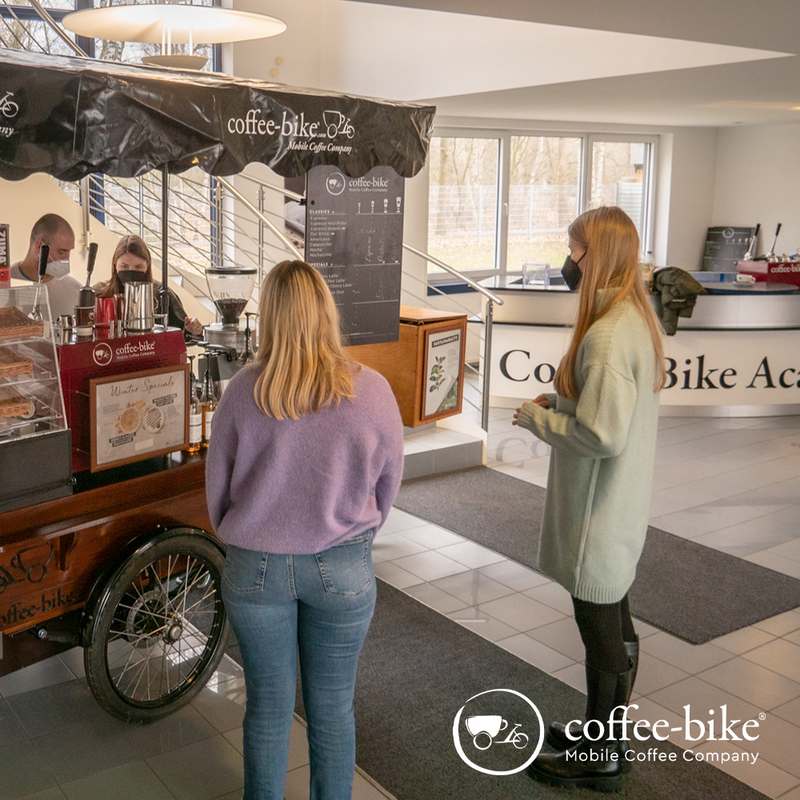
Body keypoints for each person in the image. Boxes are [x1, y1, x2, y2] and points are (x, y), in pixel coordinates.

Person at [205, 259, 404, 800]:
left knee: (267, 706)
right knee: (333, 708)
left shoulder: (242, 392)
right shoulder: (375, 391)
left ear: (269, 317)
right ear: (327, 312)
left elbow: (216, 493)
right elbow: (388, 488)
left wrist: (247, 528)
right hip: (342, 563)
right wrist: (352, 527)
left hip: (255, 565)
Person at [513, 207, 666, 793]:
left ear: (593, 255)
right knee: (615, 622)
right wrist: (565, 405)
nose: (566, 262)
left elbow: (604, 436)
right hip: (621, 507)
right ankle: (603, 737)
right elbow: (608, 414)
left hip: (596, 518)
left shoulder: (604, 336)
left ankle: (601, 758)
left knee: (600, 630)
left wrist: (539, 421)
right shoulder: (632, 317)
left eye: (572, 250)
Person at [94, 234, 204, 338]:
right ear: (114, 263)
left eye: (138, 267)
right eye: (125, 266)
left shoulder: (162, 293)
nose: (131, 272)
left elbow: (184, 332)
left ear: (148, 265)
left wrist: (195, 329)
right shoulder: (99, 293)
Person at [10, 213, 81, 320]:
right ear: (39, 247)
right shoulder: (7, 284)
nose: (67, 259)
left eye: (69, 252)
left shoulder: (75, 292)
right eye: (61, 252)